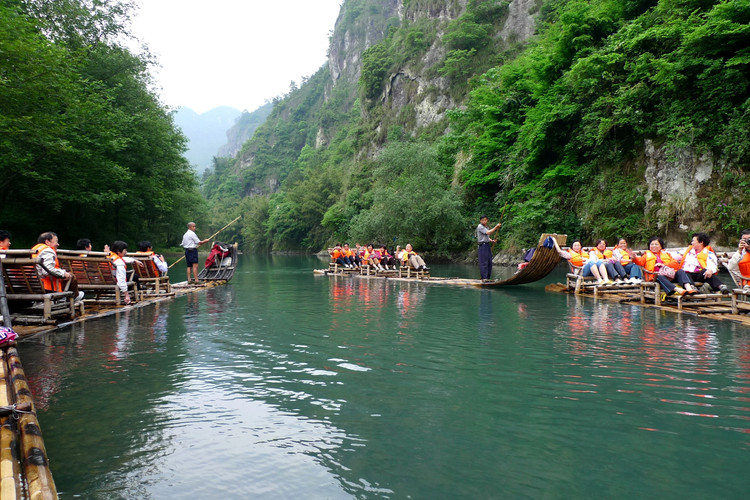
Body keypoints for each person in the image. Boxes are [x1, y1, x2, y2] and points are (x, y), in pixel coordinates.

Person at [31, 232, 84, 301]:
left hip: (34, 283)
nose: (58, 244)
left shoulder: (34, 250)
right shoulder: (47, 251)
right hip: (46, 286)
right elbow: (47, 271)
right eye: (56, 241)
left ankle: (70, 296)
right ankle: (71, 296)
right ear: (47, 241)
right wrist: (63, 273)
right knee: (71, 276)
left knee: (67, 275)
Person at [476, 215, 501, 282]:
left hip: (487, 245)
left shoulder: (486, 227)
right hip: (482, 246)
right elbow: (488, 232)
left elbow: (486, 236)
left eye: (485, 220)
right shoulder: (480, 226)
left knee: (489, 262)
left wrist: (491, 240)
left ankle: (487, 277)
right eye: (483, 220)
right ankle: (484, 278)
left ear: (487, 220)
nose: (484, 221)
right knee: (483, 262)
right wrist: (496, 227)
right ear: (480, 221)